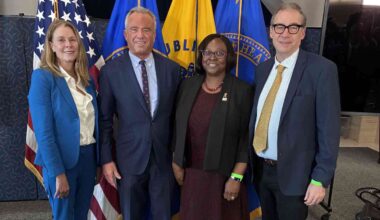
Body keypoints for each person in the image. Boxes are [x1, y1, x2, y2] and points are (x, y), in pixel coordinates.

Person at [248, 3, 340, 220]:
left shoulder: (322, 70)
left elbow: (329, 130)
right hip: (262, 171)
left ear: (303, 33)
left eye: (293, 27)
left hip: (296, 176)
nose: (285, 33)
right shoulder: (262, 70)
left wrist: (320, 179)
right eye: (279, 26)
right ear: (271, 31)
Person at [99, 7, 181, 220]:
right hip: (128, 159)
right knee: (131, 214)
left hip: (164, 159)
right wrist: (107, 160)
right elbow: (105, 121)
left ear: (155, 35)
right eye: (134, 29)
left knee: (164, 214)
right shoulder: (110, 72)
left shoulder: (172, 70)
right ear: (126, 34)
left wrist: (178, 155)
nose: (140, 35)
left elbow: (178, 118)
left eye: (147, 30)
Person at [172, 34, 253, 220]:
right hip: (192, 176)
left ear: (229, 57)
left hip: (224, 179)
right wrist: (176, 161)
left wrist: (236, 178)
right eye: (207, 52)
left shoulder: (242, 91)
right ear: (201, 56)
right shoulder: (187, 85)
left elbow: (245, 141)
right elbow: (177, 127)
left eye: (219, 53)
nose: (212, 57)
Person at [28, 20, 99, 220]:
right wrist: (58, 173)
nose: (68, 44)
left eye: (72, 39)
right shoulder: (43, 78)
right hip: (61, 162)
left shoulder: (85, 79)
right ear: (51, 46)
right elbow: (44, 133)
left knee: (81, 216)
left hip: (88, 159)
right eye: (61, 40)